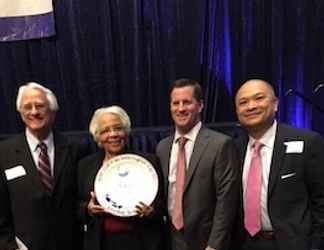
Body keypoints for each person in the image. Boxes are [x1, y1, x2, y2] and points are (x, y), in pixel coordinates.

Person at [234, 79, 324, 250]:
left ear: (275, 104)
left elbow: (321, 203)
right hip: (244, 244)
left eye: (259, 98)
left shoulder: (308, 142)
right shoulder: (232, 148)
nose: (251, 106)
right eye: (243, 102)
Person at [156, 78, 239, 250]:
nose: (180, 108)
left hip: (205, 241)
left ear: (200, 105)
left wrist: (215, 245)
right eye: (175, 103)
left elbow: (226, 201)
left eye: (187, 102)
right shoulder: (162, 147)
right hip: (170, 239)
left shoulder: (221, 144)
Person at [0, 82, 84, 250]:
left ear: (52, 111)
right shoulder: (3, 153)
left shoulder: (75, 149)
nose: (34, 112)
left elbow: (80, 200)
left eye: (39, 106)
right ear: (20, 112)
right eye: (27, 107)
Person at [77, 105, 166, 250]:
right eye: (105, 130)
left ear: (126, 131)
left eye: (118, 128)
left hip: (141, 241)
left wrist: (152, 211)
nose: (113, 134)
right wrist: (88, 209)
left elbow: (163, 204)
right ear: (98, 136)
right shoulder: (85, 166)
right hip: (103, 243)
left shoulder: (148, 163)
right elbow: (76, 205)